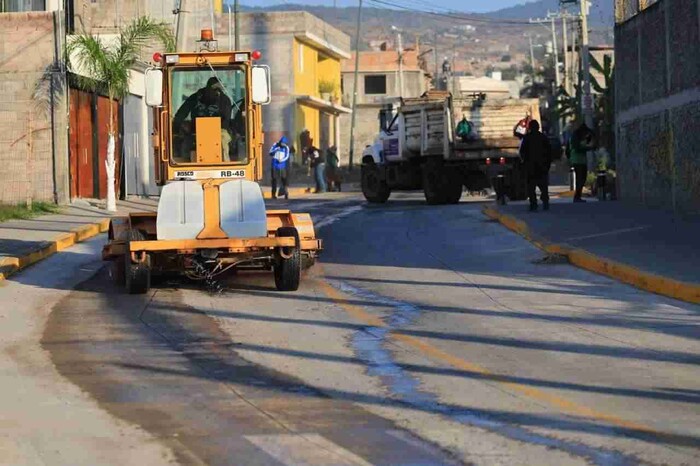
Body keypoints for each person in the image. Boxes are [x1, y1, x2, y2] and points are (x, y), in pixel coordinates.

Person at [173, 77, 233, 162]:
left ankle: (226, 166)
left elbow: (226, 120)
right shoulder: (195, 98)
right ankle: (186, 164)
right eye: (214, 88)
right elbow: (181, 114)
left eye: (218, 88)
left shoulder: (224, 100)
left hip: (219, 130)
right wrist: (178, 127)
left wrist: (217, 130)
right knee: (185, 144)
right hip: (196, 132)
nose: (216, 91)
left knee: (223, 141)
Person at [519, 119, 552, 212]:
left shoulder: (527, 138)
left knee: (531, 187)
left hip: (531, 167)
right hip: (542, 166)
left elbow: (522, 152)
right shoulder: (543, 137)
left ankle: (533, 204)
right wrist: (547, 164)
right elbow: (549, 152)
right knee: (543, 186)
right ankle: (545, 202)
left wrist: (525, 163)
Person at [569, 122, 595, 203]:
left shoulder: (581, 137)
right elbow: (578, 148)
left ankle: (578, 196)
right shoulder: (575, 137)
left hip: (581, 161)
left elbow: (590, 137)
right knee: (580, 179)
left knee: (582, 179)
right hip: (577, 161)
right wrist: (588, 148)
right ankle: (577, 197)